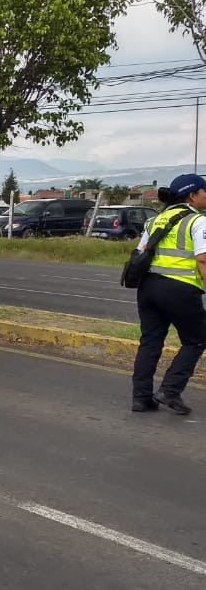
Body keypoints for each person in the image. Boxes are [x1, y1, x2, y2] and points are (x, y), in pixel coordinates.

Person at [131, 174, 206, 414]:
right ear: (192, 195)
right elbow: (203, 260)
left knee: (150, 341)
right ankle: (170, 390)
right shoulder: (198, 221)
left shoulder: (155, 220)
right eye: (204, 191)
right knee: (196, 340)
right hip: (180, 288)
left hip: (148, 287)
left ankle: (141, 398)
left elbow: (140, 253)